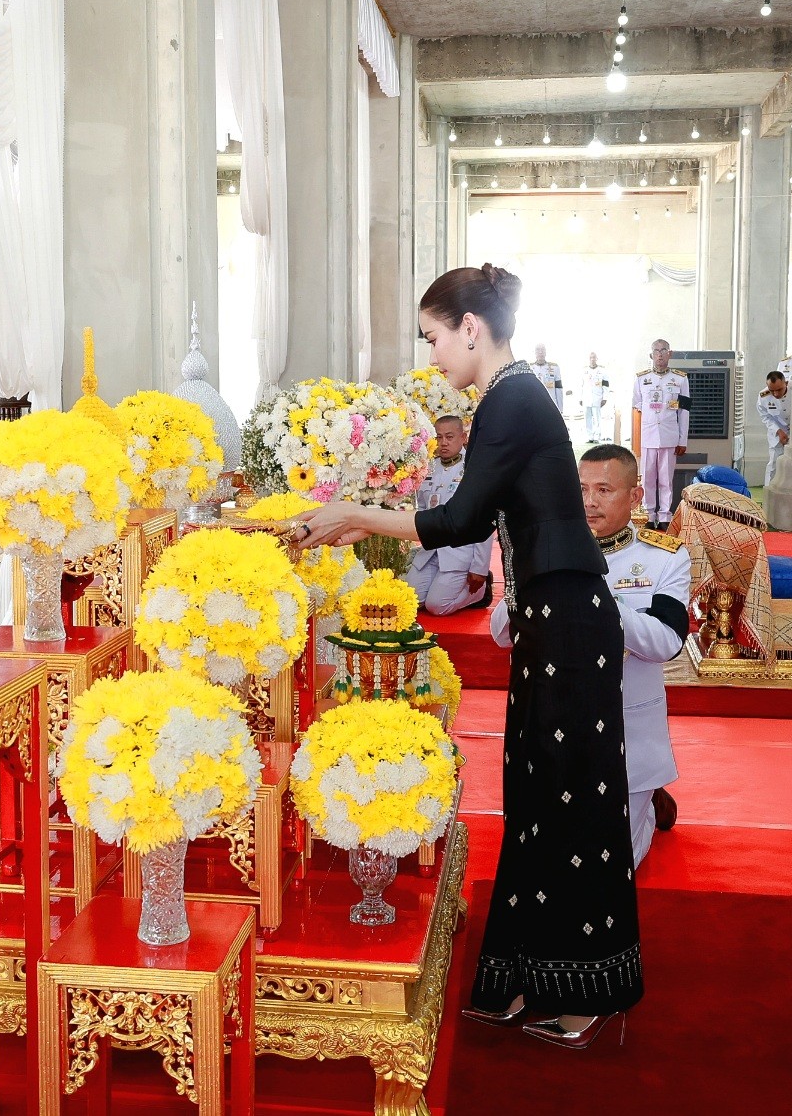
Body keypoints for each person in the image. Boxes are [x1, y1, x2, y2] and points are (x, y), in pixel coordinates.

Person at [298, 264, 641, 1049]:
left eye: (433, 337)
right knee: (536, 795)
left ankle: (586, 989)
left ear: (471, 328)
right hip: (552, 615)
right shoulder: (508, 399)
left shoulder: (511, 400)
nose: (431, 356)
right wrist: (361, 518)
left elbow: (459, 521)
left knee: (570, 802)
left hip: (567, 618)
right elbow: (471, 518)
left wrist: (357, 513)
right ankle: (527, 977)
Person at [492, 444, 690, 864]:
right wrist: (537, 572)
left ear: (635, 496)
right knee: (548, 857)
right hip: (554, 726)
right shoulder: (547, 548)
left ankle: (646, 801)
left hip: (626, 733)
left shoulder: (662, 558)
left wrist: (595, 601)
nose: (589, 501)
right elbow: (501, 632)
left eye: (603, 489)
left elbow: (667, 641)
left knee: (616, 863)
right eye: (581, 488)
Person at [405, 415, 494, 614]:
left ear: (463, 437)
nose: (443, 442)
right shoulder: (428, 467)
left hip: (460, 552)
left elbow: (485, 521)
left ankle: (481, 592)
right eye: (439, 437)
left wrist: (479, 567)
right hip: (431, 550)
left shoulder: (474, 470)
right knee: (411, 601)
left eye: (449, 437)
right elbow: (422, 509)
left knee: (436, 606)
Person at [631, 339, 689, 527]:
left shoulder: (680, 379)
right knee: (647, 478)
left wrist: (682, 440)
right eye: (656, 351)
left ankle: (664, 516)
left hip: (669, 435)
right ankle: (649, 515)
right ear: (651, 355)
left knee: (666, 479)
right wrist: (636, 441)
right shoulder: (641, 379)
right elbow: (637, 408)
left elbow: (684, 411)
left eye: (664, 350)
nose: (660, 354)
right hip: (648, 436)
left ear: (669, 353)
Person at [758, 371, 791, 486]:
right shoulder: (763, 396)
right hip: (776, 431)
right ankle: (768, 491)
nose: (775, 394)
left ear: (786, 383)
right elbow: (765, 417)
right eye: (772, 390)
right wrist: (778, 431)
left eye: (779, 389)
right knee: (773, 464)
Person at [580, 352, 611, 443]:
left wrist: (605, 398)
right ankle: (589, 436)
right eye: (591, 357)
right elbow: (580, 385)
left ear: (597, 359)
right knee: (587, 418)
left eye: (594, 357)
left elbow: (606, 385)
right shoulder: (584, 370)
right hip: (586, 397)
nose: (592, 359)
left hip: (597, 397)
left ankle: (597, 436)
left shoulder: (602, 371)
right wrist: (580, 398)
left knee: (597, 418)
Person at [530, 344, 564, 411]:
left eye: (542, 349)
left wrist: (560, 409)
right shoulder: (529, 368)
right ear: (534, 352)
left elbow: (559, 388)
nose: (540, 352)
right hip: (535, 405)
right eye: (538, 349)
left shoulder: (554, 367)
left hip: (551, 405)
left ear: (546, 352)